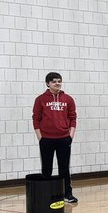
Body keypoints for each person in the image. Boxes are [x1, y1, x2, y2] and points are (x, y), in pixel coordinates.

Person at [33, 72, 78, 204]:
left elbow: (73, 118)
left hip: (64, 139)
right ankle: (46, 195)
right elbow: (36, 119)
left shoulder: (68, 99)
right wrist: (40, 137)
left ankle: (67, 194)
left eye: (59, 81)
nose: (57, 83)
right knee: (46, 168)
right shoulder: (40, 99)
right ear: (48, 83)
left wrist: (70, 136)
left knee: (64, 168)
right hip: (46, 139)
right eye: (54, 81)